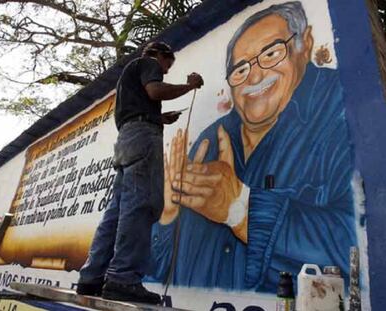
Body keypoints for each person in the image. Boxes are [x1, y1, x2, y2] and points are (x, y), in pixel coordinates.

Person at [150, 1, 357, 293]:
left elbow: (358, 249)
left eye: (271, 54)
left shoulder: (343, 108)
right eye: (240, 70)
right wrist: (168, 218)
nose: (255, 77)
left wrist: (241, 210)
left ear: (305, 44)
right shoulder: (210, 139)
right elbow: (157, 276)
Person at [76, 42, 204, 304]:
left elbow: (145, 102)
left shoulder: (129, 76)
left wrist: (161, 118)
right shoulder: (147, 63)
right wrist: (189, 85)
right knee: (141, 205)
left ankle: (91, 278)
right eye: (167, 65)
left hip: (127, 140)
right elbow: (155, 90)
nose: (165, 71)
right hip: (143, 138)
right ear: (160, 55)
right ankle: (123, 279)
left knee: (117, 211)